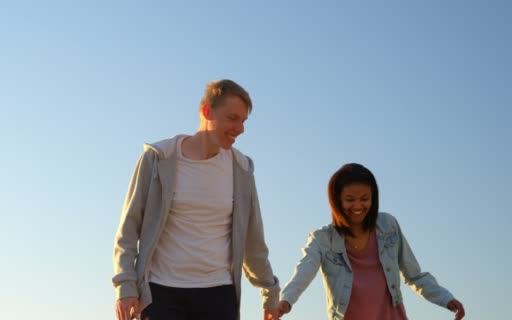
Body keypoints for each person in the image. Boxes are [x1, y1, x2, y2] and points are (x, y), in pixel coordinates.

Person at [112, 79, 280, 320]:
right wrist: (125, 285)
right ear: (206, 111)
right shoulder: (159, 159)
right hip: (160, 293)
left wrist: (270, 292)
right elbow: (128, 229)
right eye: (233, 118)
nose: (240, 128)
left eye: (243, 121)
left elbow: (253, 241)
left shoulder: (241, 169)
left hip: (218, 295)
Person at [278, 163, 465, 320]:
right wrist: (283, 303)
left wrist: (446, 299)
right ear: (337, 200)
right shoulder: (322, 239)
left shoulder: (388, 226)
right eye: (350, 199)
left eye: (365, 199)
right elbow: (302, 275)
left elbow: (414, 275)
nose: (358, 206)